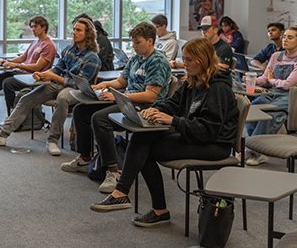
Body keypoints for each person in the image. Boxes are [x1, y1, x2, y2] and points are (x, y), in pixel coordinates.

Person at [89, 37, 238, 229]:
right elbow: (173, 103)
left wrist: (173, 120)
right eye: (184, 58)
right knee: (142, 137)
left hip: (215, 145)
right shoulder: (193, 81)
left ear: (202, 60)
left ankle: (141, 201)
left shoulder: (218, 89)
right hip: (194, 134)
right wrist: (155, 110)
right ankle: (126, 195)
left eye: (189, 60)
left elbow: (208, 130)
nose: (185, 63)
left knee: (145, 150)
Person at [62, 22, 171, 193]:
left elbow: (150, 96)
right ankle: (84, 157)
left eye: (138, 42)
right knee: (80, 111)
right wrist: (105, 84)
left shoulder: (157, 62)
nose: (134, 46)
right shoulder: (136, 59)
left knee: (100, 119)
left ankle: (114, 171)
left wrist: (119, 96)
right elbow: (121, 81)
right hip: (127, 102)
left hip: (144, 108)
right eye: (133, 42)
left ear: (150, 41)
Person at [0, 18, 101, 156]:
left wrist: (53, 77)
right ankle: (1, 135)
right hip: (57, 84)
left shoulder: (92, 58)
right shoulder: (69, 50)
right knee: (26, 99)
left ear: (88, 34)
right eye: (73, 29)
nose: (74, 33)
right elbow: (57, 69)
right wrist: (43, 75)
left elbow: (78, 83)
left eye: (78, 30)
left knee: (62, 98)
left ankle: (52, 140)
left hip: (76, 90)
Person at [244, 23, 297, 166]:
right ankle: (254, 148)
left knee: (270, 114)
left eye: (290, 37)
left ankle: (255, 151)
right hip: (274, 93)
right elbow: (266, 78)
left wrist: (271, 80)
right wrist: (253, 80)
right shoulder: (276, 56)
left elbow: (288, 84)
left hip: (292, 97)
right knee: (251, 108)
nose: (285, 40)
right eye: (284, 37)